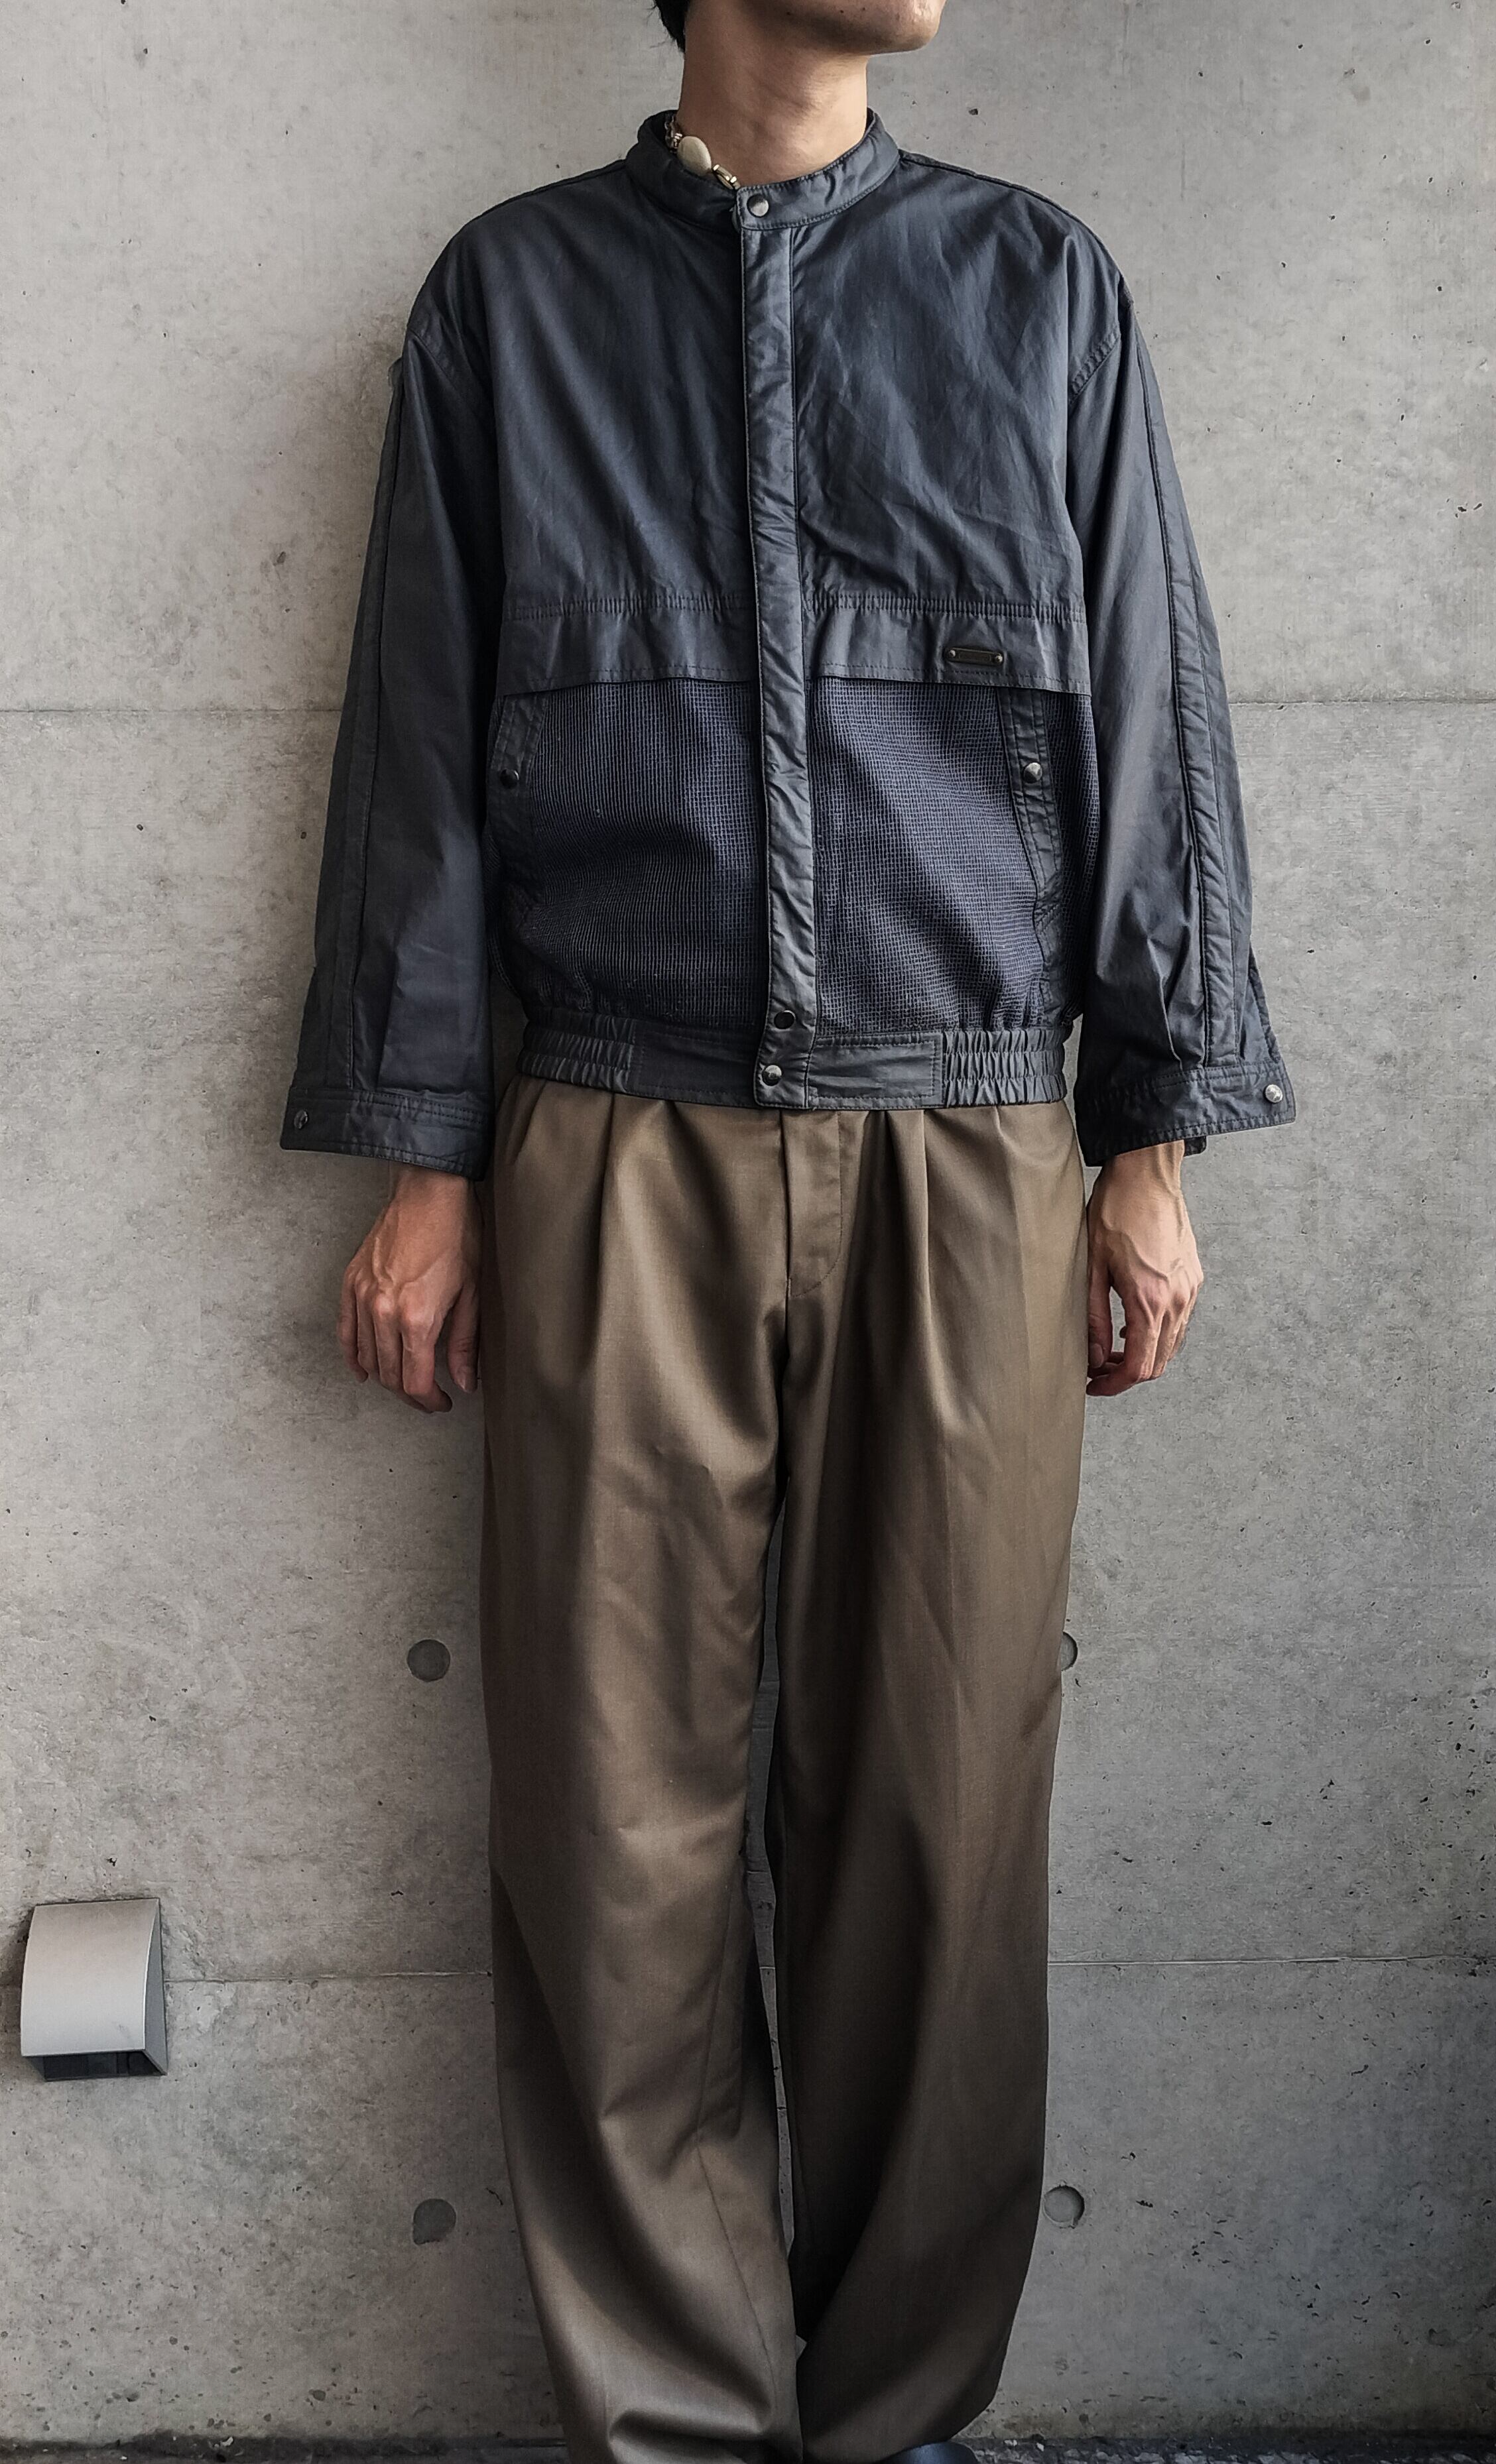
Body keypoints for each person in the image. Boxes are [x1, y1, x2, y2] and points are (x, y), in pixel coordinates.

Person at [282, 2, 1294, 2459]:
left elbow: (1152, 712)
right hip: (612, 1133)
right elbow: (416, 750)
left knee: (939, 1826)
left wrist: (1151, 1140)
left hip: (975, 1136)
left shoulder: (1039, 290)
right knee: (608, 1831)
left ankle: (898, 2418)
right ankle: (678, 2425)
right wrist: (425, 1166)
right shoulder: (513, 299)